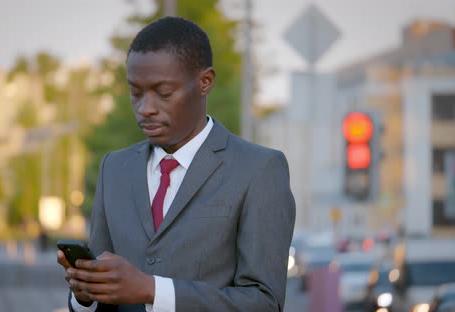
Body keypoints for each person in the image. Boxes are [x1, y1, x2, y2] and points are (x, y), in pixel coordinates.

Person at [57, 16, 295, 312]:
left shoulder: (259, 170)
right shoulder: (114, 169)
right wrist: (85, 295)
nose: (145, 108)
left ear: (205, 82)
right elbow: (103, 300)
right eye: (136, 92)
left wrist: (152, 290)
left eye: (164, 93)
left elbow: (264, 303)